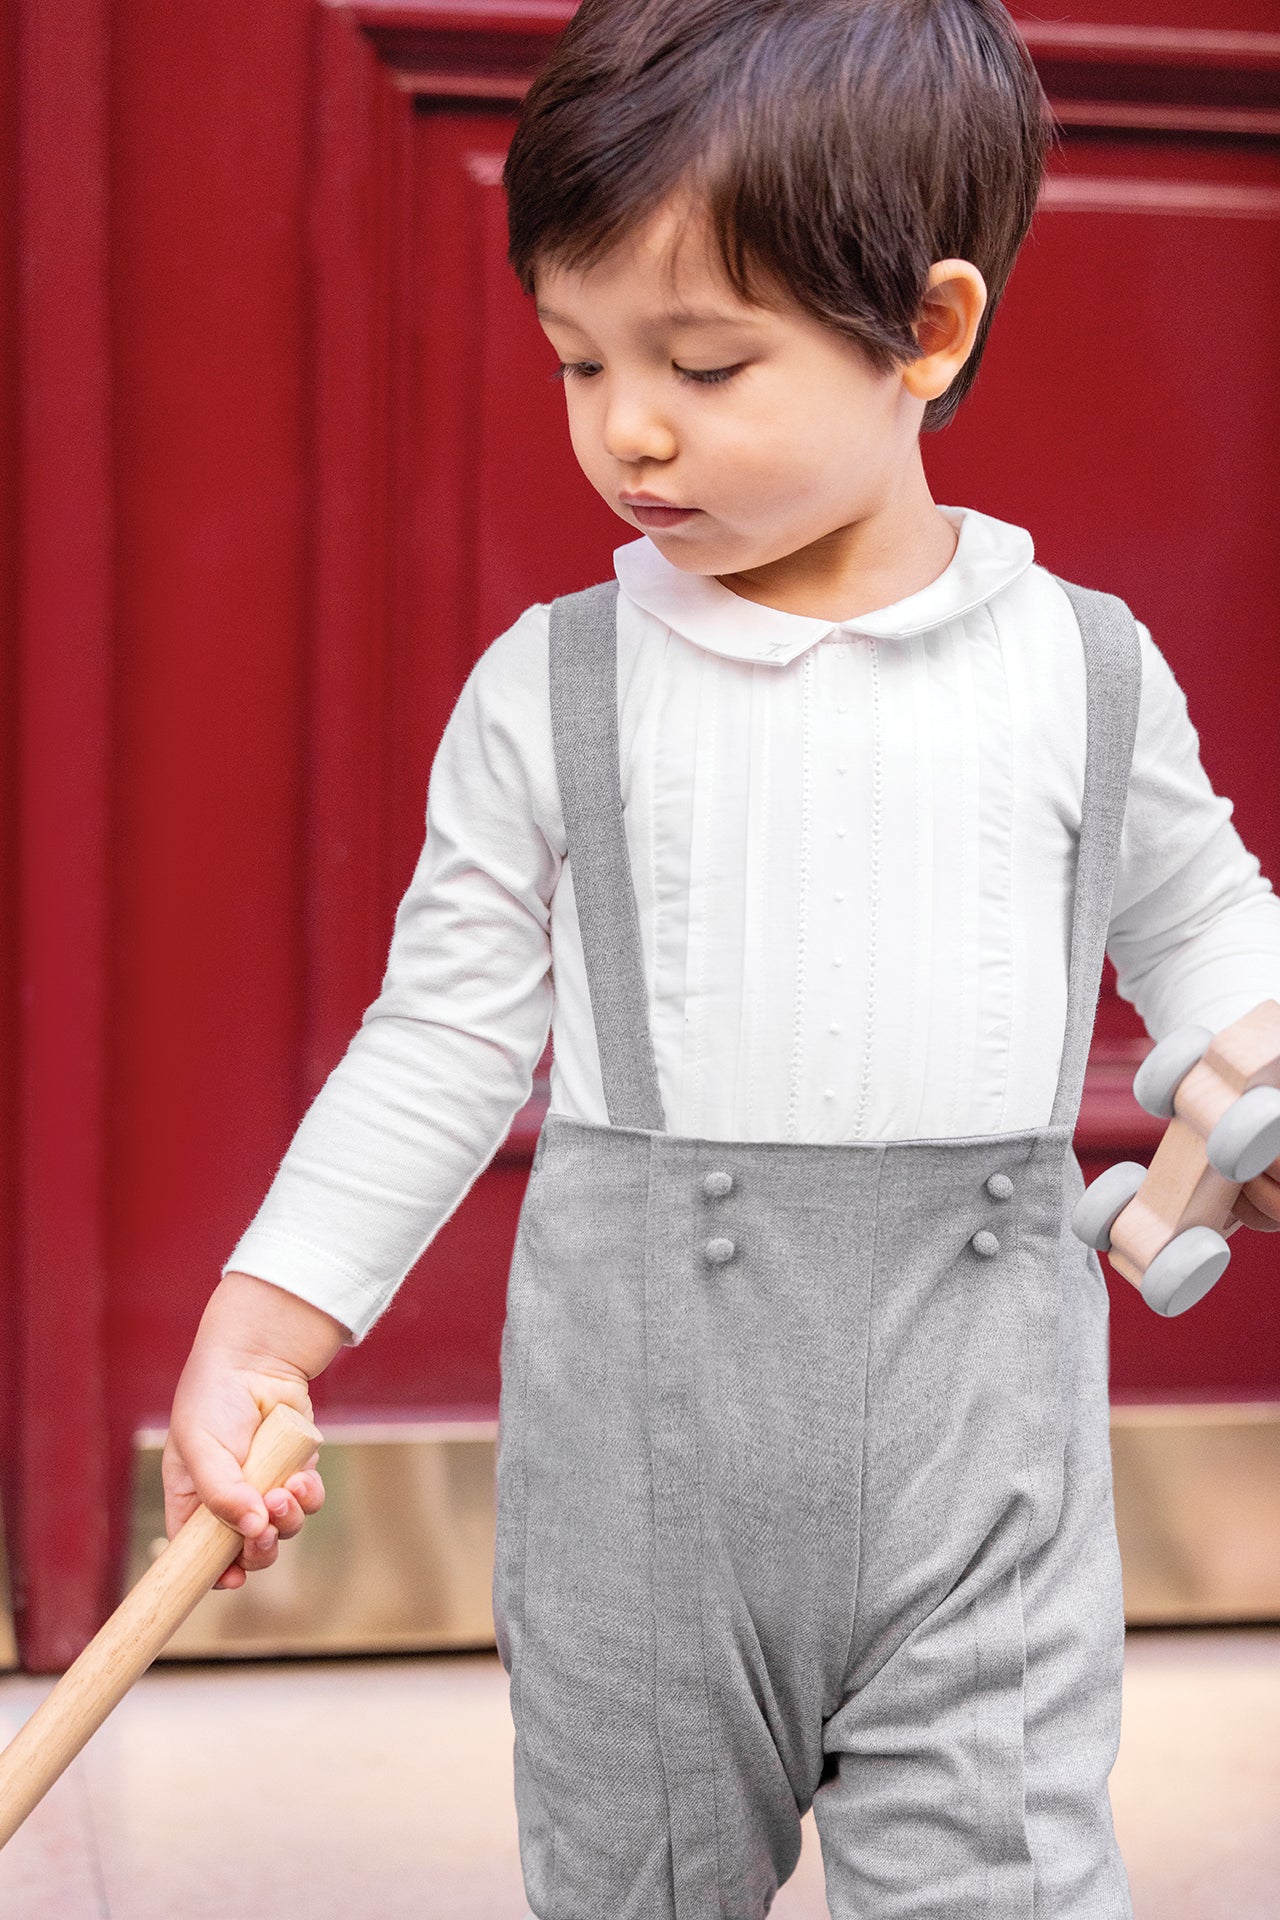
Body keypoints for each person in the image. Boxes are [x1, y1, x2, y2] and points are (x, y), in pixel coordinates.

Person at [163, 1, 1280, 1913]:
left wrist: (1255, 1057)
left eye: (701, 361)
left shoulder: (1082, 671)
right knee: (639, 1879)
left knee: (1008, 1874)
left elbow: (1210, 932)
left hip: (985, 1461)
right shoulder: (552, 689)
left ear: (927, 331)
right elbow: (442, 1038)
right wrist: (268, 1326)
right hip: (641, 1476)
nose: (629, 426)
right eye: (579, 357)